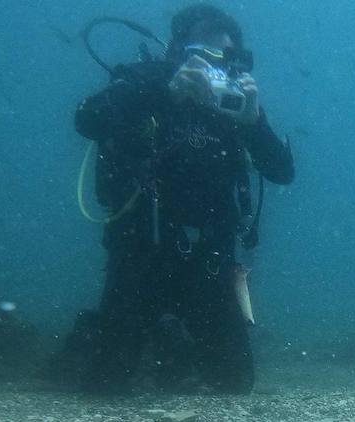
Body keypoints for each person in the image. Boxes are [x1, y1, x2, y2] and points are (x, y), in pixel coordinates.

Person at [67, 4, 293, 394]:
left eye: (229, 58)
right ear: (177, 50)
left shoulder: (236, 105)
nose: (217, 68)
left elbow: (282, 171)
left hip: (208, 262)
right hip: (138, 255)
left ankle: (172, 349)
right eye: (206, 55)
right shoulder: (146, 80)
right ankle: (101, 336)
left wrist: (254, 123)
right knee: (104, 383)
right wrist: (164, 93)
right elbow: (87, 119)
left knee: (234, 382)